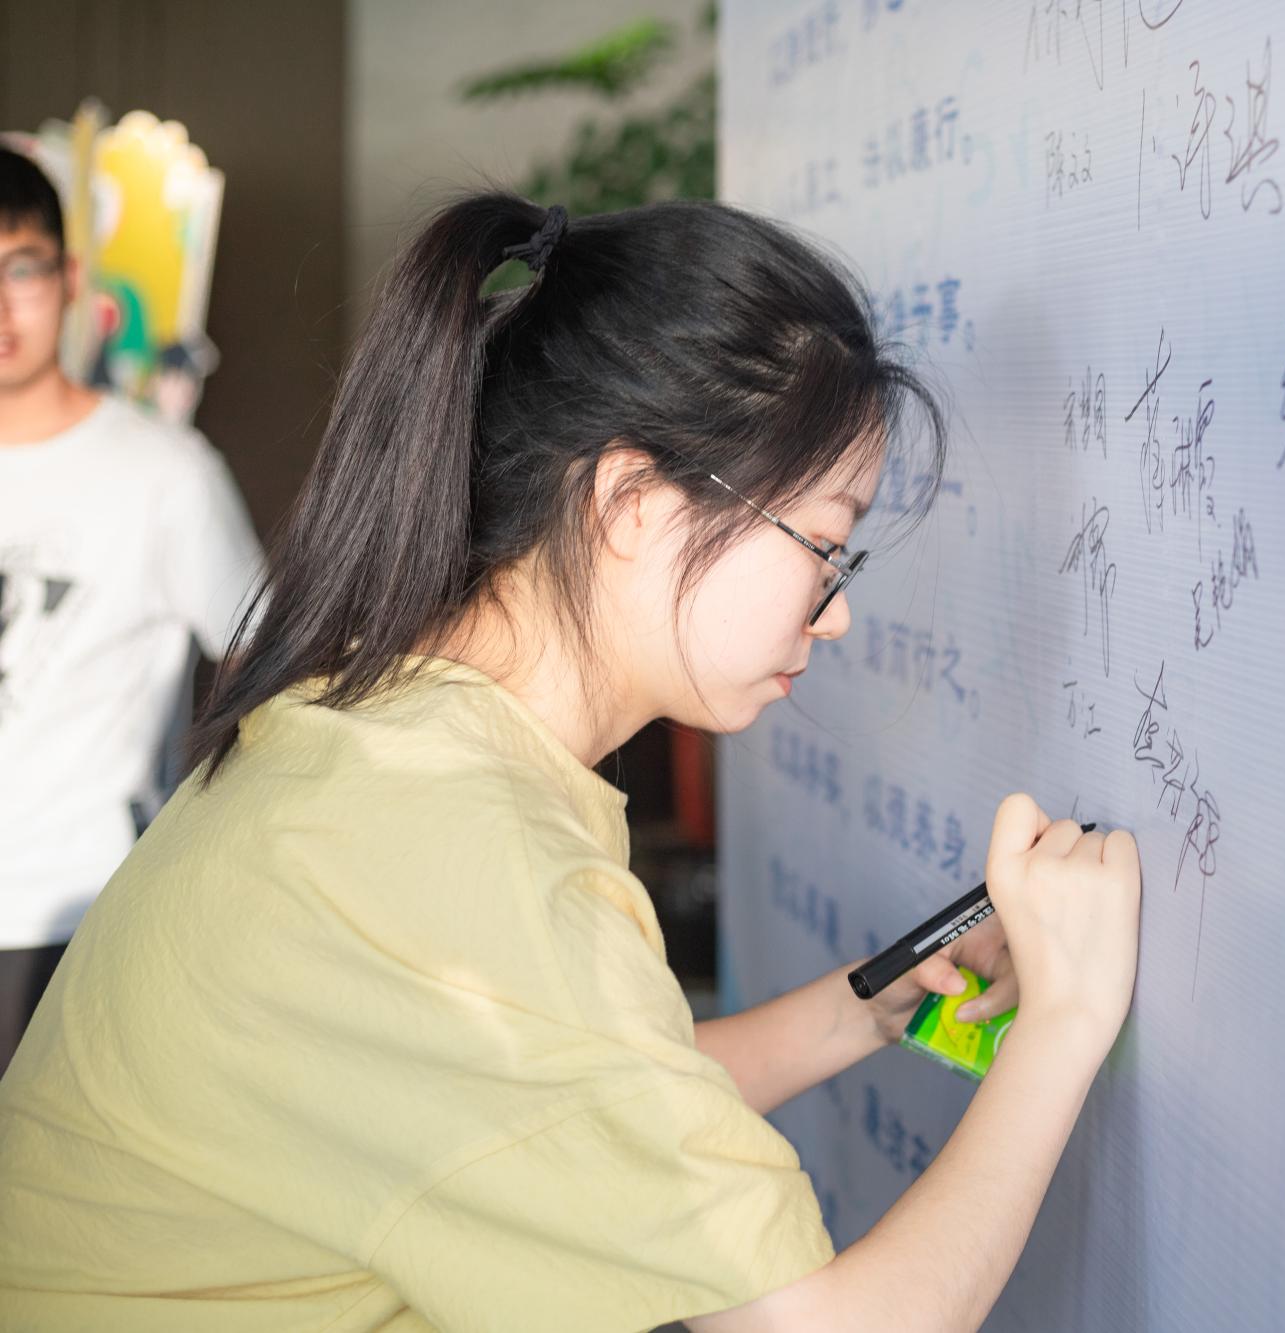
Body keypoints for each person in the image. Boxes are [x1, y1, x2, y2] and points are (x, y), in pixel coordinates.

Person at [0, 191, 1144, 1331]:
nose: (833, 612)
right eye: (823, 546)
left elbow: (566, 1102)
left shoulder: (384, 728)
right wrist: (1065, 1018)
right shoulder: (465, 847)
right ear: (632, 503)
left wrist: (868, 1007)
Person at [0, 146, 263, 1073]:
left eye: (20, 269)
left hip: (83, 915)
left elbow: (268, 658)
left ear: (70, 278)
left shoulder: (163, 474)